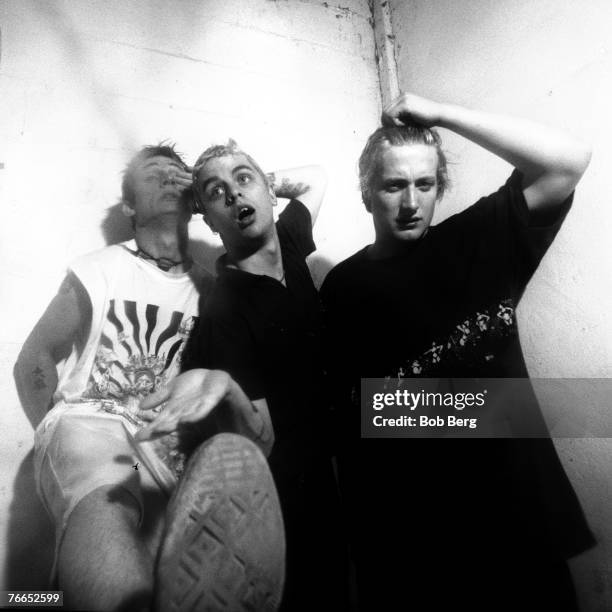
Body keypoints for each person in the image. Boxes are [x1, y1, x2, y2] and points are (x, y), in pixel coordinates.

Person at [320, 93, 595, 611]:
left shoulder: (480, 239)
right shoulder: (343, 287)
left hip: (523, 539)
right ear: (367, 193)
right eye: (394, 185)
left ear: (439, 187)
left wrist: (443, 114)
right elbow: (354, 431)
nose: (410, 202)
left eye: (425, 184)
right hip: (426, 558)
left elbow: (568, 160)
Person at [14, 144, 285, 611]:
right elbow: (34, 360)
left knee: (165, 570)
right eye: (153, 174)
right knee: (109, 495)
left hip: (163, 449)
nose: (168, 178)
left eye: (177, 174)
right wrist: (54, 437)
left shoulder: (214, 291)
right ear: (129, 206)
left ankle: (42, 599)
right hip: (94, 424)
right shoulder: (101, 268)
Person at [173, 140, 348, 611]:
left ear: (270, 190)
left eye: (243, 179)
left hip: (349, 461)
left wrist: (257, 179)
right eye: (216, 193)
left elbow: (314, 175)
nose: (233, 195)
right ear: (208, 222)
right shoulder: (225, 313)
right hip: (296, 499)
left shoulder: (290, 239)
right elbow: (263, 440)